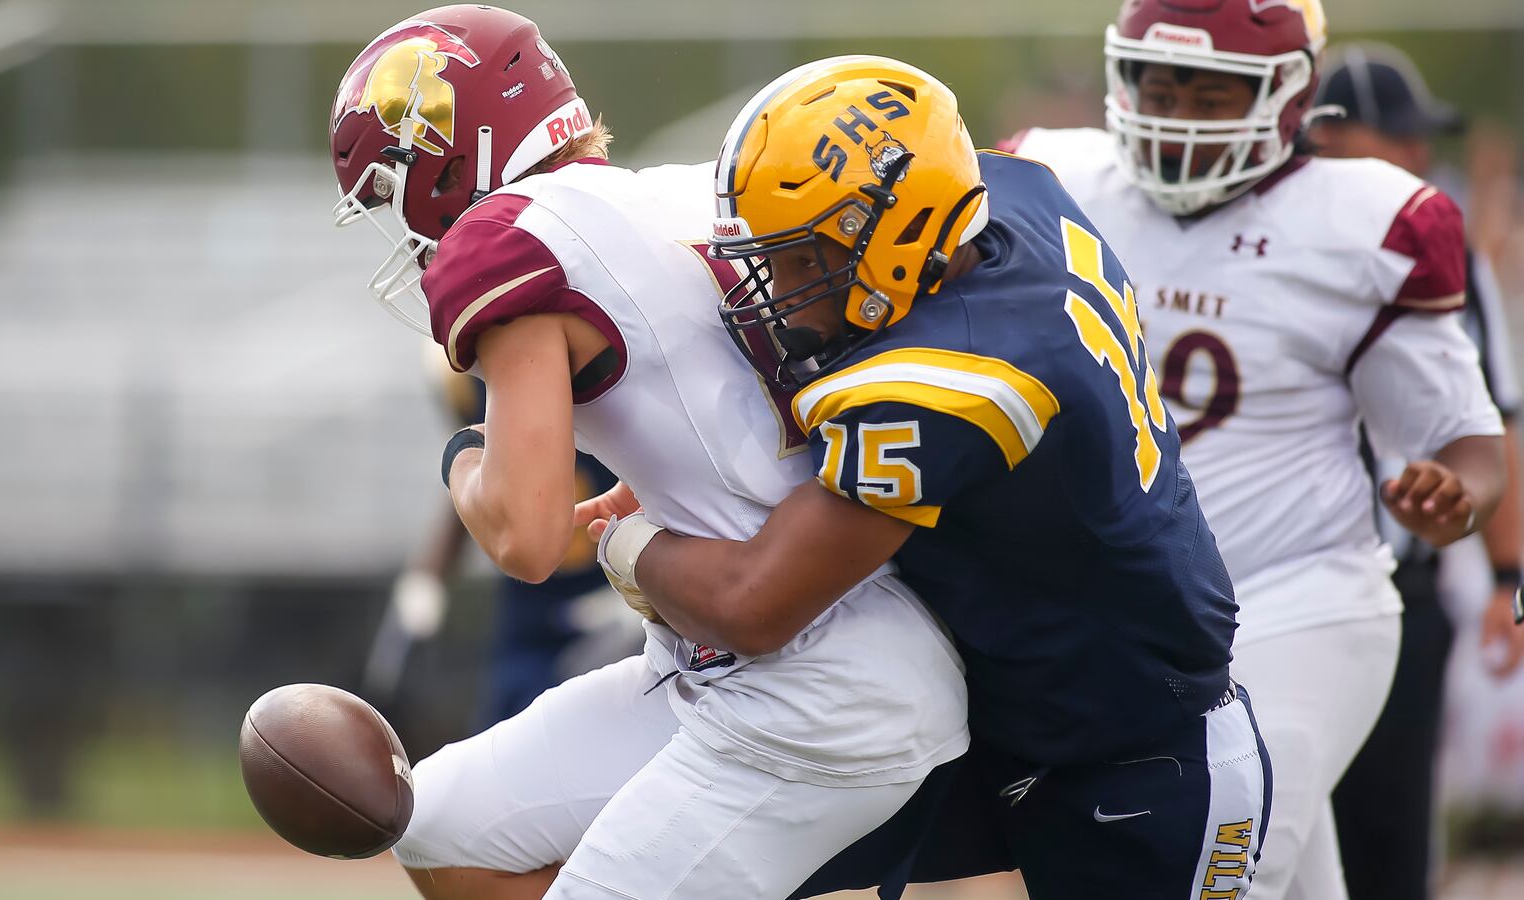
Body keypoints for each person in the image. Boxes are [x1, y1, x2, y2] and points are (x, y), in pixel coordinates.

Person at [588, 53, 1271, 899]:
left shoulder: (959, 381)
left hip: (1145, 759)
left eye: (806, 260)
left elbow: (752, 607)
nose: (783, 291)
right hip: (1032, 724)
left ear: (903, 233)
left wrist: (625, 541)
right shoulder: (1009, 199)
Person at [329, 7, 968, 900]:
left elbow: (528, 540)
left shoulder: (510, 239)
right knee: (439, 828)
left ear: (446, 152)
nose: (403, 227)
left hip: (818, 689)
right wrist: (650, 485)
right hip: (725, 662)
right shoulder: (678, 193)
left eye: (390, 189)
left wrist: (463, 461)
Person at [998, 2, 1508, 898]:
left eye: (1211, 90)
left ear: (1289, 95)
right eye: (1161, 84)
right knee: (1275, 872)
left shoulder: (1365, 221)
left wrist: (1455, 492)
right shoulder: (1055, 177)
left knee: (1214, 861)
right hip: (1129, 616)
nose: (1178, 112)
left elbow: (1471, 440)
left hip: (1297, 595)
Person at [1309, 42, 1524, 900]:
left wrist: (1510, 576)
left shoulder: (1441, 247)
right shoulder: (1251, 239)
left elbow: (1495, 420)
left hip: (1401, 584)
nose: (1418, 155)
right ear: (1333, 135)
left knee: (1386, 842)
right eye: (1399, 136)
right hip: (1251, 587)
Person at [361, 356, 639, 755]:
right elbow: (483, 485)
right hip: (533, 600)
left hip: (615, 583)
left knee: (597, 752)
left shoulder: (597, 351)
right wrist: (421, 591)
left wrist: (641, 587)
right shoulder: (468, 370)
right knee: (499, 744)